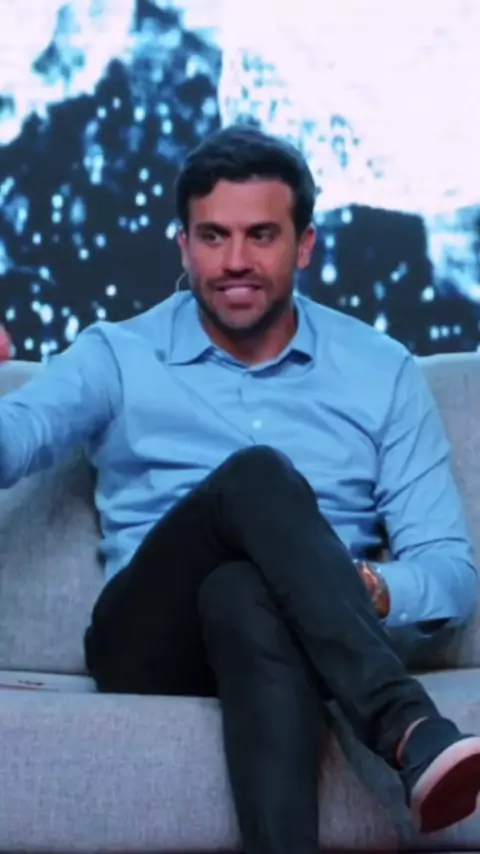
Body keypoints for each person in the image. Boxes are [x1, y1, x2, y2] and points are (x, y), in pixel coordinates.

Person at [0, 125, 479, 854]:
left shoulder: (379, 370)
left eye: (261, 235)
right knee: (255, 476)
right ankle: (406, 725)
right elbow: (22, 433)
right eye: (213, 237)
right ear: (183, 246)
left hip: (309, 636)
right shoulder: (119, 354)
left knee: (244, 590)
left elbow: (449, 571)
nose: (234, 262)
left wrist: (362, 588)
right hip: (150, 641)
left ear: (304, 244)